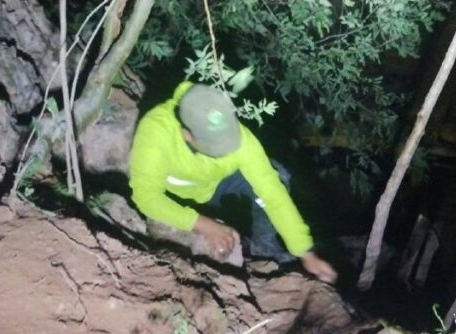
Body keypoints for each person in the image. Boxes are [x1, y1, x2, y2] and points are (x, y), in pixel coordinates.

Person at [128, 81, 337, 284]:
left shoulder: (239, 136)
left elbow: (272, 192)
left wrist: (305, 252)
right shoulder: (156, 132)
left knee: (279, 176)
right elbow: (145, 196)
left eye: (228, 141)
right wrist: (202, 224)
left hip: (221, 183)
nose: (226, 150)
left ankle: (265, 255)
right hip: (183, 196)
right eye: (216, 147)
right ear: (187, 135)